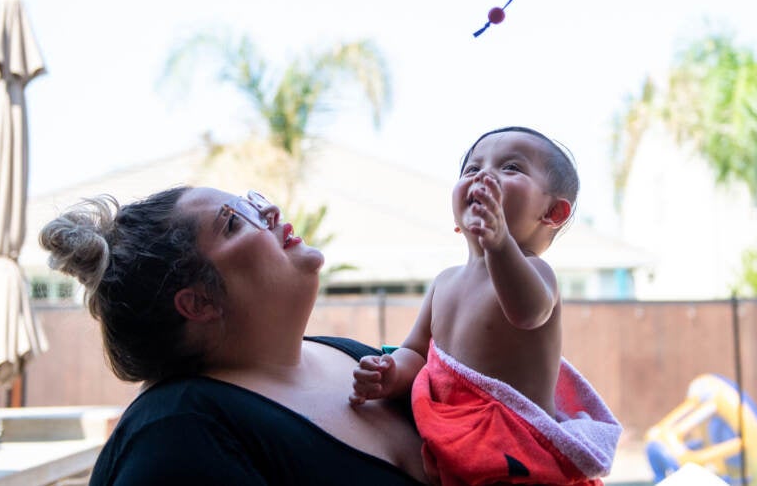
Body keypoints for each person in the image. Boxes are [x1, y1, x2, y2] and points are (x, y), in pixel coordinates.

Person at [39, 186, 426, 485]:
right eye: (234, 221)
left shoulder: (356, 358)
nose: (270, 211)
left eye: (251, 202)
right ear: (199, 302)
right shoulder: (176, 439)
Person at [349, 126, 622, 486]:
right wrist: (391, 372)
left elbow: (527, 312)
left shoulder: (537, 274)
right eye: (471, 169)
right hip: (456, 444)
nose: (484, 175)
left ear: (553, 211)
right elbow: (416, 352)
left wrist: (500, 243)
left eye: (511, 167)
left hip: (516, 454)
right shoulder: (444, 282)